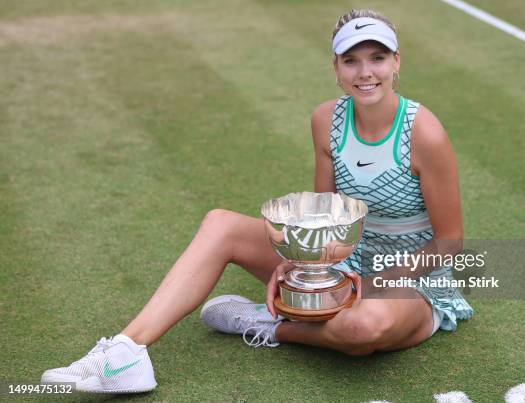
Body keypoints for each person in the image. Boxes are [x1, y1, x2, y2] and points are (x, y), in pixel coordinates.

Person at [41, 9, 473, 393]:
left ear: (396, 62)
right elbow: (325, 216)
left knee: (362, 329)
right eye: (351, 60)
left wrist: (373, 283)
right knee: (220, 223)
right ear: (336, 68)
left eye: (377, 58)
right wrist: (302, 263)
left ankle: (266, 324)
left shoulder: (424, 132)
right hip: (344, 263)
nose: (366, 72)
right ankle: (127, 350)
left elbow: (450, 240)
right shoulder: (327, 120)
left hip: (411, 278)